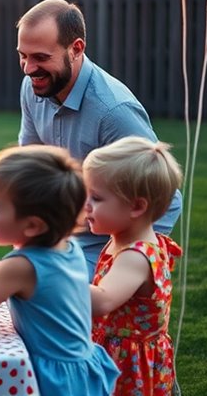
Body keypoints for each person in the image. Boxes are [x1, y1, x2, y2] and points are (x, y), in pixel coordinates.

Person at [16, 0, 182, 276]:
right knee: (13, 279)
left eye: (41, 58)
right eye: (23, 55)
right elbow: (33, 170)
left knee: (32, 283)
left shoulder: (114, 112)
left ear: (76, 49)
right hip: (61, 233)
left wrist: (128, 257)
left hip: (104, 244)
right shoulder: (32, 87)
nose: (28, 68)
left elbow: (167, 199)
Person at [0, 145, 120, 396]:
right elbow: (48, 281)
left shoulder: (18, 268)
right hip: (80, 371)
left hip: (53, 381)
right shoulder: (68, 247)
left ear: (33, 226)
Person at [85, 137, 183, 396]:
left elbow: (103, 300)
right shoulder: (121, 239)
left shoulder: (135, 257)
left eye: (96, 197)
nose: (85, 205)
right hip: (115, 350)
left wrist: (54, 276)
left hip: (128, 366)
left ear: (137, 206)